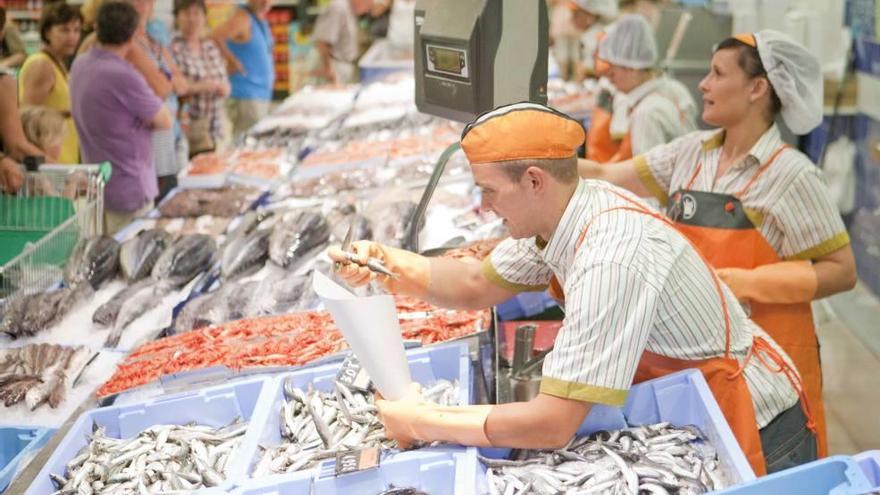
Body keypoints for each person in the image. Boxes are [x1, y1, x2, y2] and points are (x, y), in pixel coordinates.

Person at [331, 102, 819, 475]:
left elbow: (552, 423)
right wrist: (386, 264)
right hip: (687, 400)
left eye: (489, 191)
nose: (483, 207)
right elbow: (475, 283)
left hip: (755, 425)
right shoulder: (564, 216)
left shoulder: (609, 252)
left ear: (535, 180)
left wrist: (420, 420)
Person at [578, 31, 858, 458]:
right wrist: (537, 158)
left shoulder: (792, 176)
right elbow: (605, 175)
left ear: (756, 89)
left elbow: (842, 270)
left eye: (717, 73)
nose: (703, 85)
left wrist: (742, 283)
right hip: (697, 353)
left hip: (770, 366)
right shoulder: (690, 154)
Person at [71, 1, 173, 234]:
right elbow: (164, 119)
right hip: (129, 188)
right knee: (130, 261)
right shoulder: (123, 75)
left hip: (99, 186)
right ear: (134, 33)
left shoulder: (80, 64)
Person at [586, 14, 696, 164]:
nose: (609, 78)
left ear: (633, 67)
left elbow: (648, 178)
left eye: (613, 71)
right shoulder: (675, 89)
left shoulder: (646, 113)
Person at [18, 2, 83, 164]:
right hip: (49, 162)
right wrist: (69, 113)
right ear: (47, 32)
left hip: (63, 155)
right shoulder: (42, 65)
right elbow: (28, 118)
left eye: (76, 30)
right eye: (64, 30)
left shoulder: (58, 63)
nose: (72, 37)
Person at [171, 0, 230, 156]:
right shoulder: (171, 46)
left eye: (197, 13)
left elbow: (224, 80)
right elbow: (172, 85)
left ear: (204, 17)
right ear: (177, 17)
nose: (192, 19)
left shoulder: (209, 46)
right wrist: (202, 86)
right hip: (188, 129)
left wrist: (224, 88)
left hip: (214, 127)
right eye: (187, 13)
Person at [210, 0, 274, 138]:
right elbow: (214, 37)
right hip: (246, 94)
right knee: (247, 143)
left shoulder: (258, 18)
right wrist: (231, 60)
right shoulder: (242, 18)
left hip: (258, 94)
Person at [312, 0, 373, 84]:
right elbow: (322, 41)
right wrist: (328, 68)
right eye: (368, 4)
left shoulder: (350, 9)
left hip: (344, 65)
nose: (367, 9)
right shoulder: (338, 7)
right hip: (334, 65)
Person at [569, 0, 617, 81]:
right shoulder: (588, 34)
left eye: (576, 14)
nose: (572, 19)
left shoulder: (595, 36)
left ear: (590, 16)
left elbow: (589, 70)